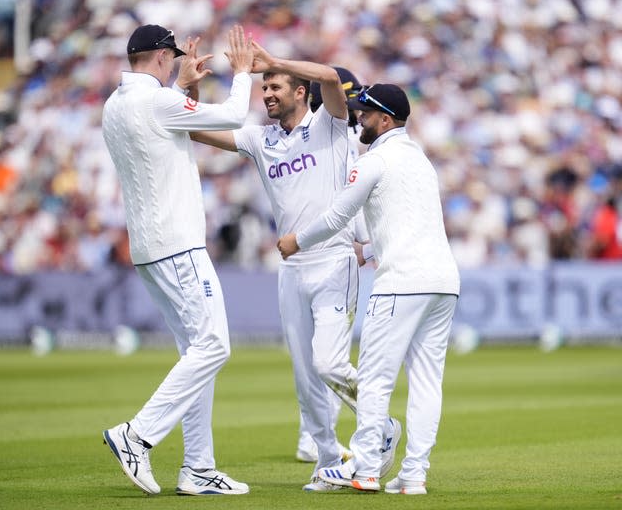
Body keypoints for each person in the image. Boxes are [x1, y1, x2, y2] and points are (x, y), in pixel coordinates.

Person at [191, 47, 400, 491]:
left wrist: (275, 62)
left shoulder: (328, 127)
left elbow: (328, 75)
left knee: (328, 363)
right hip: (291, 270)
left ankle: (381, 425)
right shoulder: (260, 139)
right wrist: (188, 88)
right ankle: (328, 460)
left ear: (299, 92)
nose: (266, 92)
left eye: (275, 86)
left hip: (334, 262)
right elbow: (197, 132)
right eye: (264, 86)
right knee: (306, 379)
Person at [277, 83, 460, 495]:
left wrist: (296, 241)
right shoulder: (421, 161)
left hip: (402, 283)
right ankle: (413, 475)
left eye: (365, 112)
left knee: (376, 380)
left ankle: (364, 467)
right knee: (428, 381)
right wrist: (370, 248)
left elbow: (338, 214)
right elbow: (416, 222)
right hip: (443, 281)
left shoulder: (374, 161)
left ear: (386, 119)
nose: (359, 117)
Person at [101, 24, 253, 496]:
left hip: (149, 247)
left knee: (196, 355)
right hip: (179, 244)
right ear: (163, 57)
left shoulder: (115, 104)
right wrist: (242, 73)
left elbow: (161, 122)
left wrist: (183, 85)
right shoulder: (158, 101)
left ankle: (198, 468)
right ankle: (137, 434)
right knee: (214, 347)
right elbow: (231, 115)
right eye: (172, 56)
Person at [295, 67, 364, 464]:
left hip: (317, 250)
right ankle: (319, 437)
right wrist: (362, 241)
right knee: (331, 354)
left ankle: (314, 437)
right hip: (334, 251)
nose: (355, 108)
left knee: (317, 356)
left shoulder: (326, 138)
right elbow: (347, 200)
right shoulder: (343, 138)